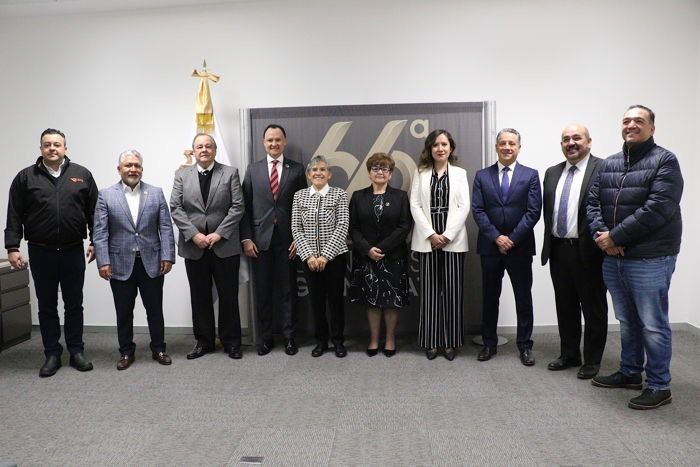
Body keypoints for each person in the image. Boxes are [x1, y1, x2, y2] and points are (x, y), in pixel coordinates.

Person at [587, 105, 683, 410]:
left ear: (652, 128)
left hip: (650, 258)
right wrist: (603, 237)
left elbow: (658, 208)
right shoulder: (609, 163)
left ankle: (659, 385)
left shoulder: (665, 161)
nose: (631, 125)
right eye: (626, 120)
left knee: (652, 324)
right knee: (627, 320)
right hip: (614, 258)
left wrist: (616, 237)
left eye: (639, 121)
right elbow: (592, 203)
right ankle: (630, 372)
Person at [4, 128, 98, 377]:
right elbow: (14, 214)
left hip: (72, 250)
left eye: (57, 144)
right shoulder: (25, 177)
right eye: (47, 145)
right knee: (47, 305)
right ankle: (52, 354)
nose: (52, 148)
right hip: (41, 251)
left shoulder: (82, 175)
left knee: (74, 304)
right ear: (41, 149)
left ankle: (76, 351)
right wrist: (12, 247)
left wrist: (96, 241)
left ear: (65, 148)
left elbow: (94, 213)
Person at [93, 150, 176, 370]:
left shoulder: (155, 193)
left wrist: (168, 255)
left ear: (142, 169)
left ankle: (159, 348)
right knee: (123, 311)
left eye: (137, 165)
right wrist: (103, 261)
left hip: (152, 261)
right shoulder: (106, 195)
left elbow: (166, 227)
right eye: (128, 165)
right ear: (119, 169)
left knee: (155, 310)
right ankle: (126, 352)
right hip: (119, 263)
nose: (133, 169)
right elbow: (100, 232)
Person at [170, 133, 245, 360]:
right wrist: (194, 235)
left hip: (224, 245)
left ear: (215, 150)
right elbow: (175, 207)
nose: (204, 150)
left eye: (208, 146)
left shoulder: (230, 173)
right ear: (194, 150)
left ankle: (231, 342)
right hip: (194, 247)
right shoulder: (182, 175)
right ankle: (204, 342)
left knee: (228, 296)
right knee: (199, 296)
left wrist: (218, 234)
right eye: (199, 146)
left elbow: (238, 207)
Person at [541, 125, 607, 379]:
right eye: (566, 139)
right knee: (565, 305)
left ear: (589, 142)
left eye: (577, 138)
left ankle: (592, 360)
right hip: (558, 249)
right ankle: (569, 354)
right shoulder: (552, 172)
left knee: (593, 308)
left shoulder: (603, 168)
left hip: (589, 251)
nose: (571, 143)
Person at [472, 128, 542, 366]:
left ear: (519, 147)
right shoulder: (482, 176)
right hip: (490, 247)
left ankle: (525, 345)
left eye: (512, 143)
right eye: (502, 143)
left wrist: (511, 239)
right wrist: (497, 237)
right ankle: (489, 343)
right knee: (490, 297)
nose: (507, 147)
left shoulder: (531, 175)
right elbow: (478, 210)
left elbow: (533, 212)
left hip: (520, 247)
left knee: (523, 298)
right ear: (496, 147)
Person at [241, 124, 307, 356]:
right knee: (263, 292)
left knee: (288, 291)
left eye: (278, 140)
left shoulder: (297, 170)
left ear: (284, 141)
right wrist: (247, 238)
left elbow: (303, 207)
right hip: (259, 242)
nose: (274, 144)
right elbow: (244, 208)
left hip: (289, 240)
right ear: (263, 142)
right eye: (270, 140)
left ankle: (290, 337)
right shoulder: (253, 170)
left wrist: (300, 238)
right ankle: (265, 338)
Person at [409, 129, 470, 361]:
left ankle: (451, 342)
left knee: (453, 293)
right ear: (429, 149)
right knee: (430, 294)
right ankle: (431, 341)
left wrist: (447, 235)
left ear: (451, 148)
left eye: (444, 144)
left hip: (453, 241)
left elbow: (464, 206)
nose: (440, 148)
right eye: (435, 145)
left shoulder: (460, 174)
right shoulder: (420, 172)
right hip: (428, 241)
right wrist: (431, 234)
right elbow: (415, 205)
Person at [349, 152, 412, 357]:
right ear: (369, 173)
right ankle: (374, 339)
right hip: (366, 258)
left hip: (393, 257)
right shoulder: (358, 197)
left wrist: (382, 248)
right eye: (375, 168)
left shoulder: (400, 197)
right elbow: (353, 228)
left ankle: (390, 339)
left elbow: (404, 226)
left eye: (385, 169)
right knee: (372, 300)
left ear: (391, 174)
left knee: (392, 301)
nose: (380, 172)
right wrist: (368, 249)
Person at [291, 155, 349, 358]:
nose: (318, 173)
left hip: (334, 259)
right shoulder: (299, 196)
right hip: (309, 260)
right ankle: (321, 341)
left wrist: (325, 256)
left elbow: (342, 225)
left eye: (322, 169)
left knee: (335, 302)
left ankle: (338, 341)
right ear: (308, 175)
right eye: (314, 170)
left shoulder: (339, 194)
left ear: (329, 174)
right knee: (316, 303)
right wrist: (309, 256)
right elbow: (296, 228)